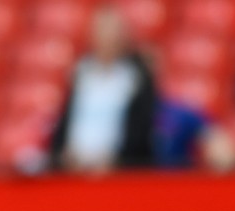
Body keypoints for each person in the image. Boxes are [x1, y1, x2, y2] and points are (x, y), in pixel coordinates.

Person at [49, 5, 156, 171]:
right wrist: (61, 154)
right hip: (75, 166)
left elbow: (141, 127)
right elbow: (66, 119)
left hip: (117, 169)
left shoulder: (136, 77)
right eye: (102, 31)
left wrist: (119, 159)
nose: (108, 38)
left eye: (113, 32)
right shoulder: (81, 72)